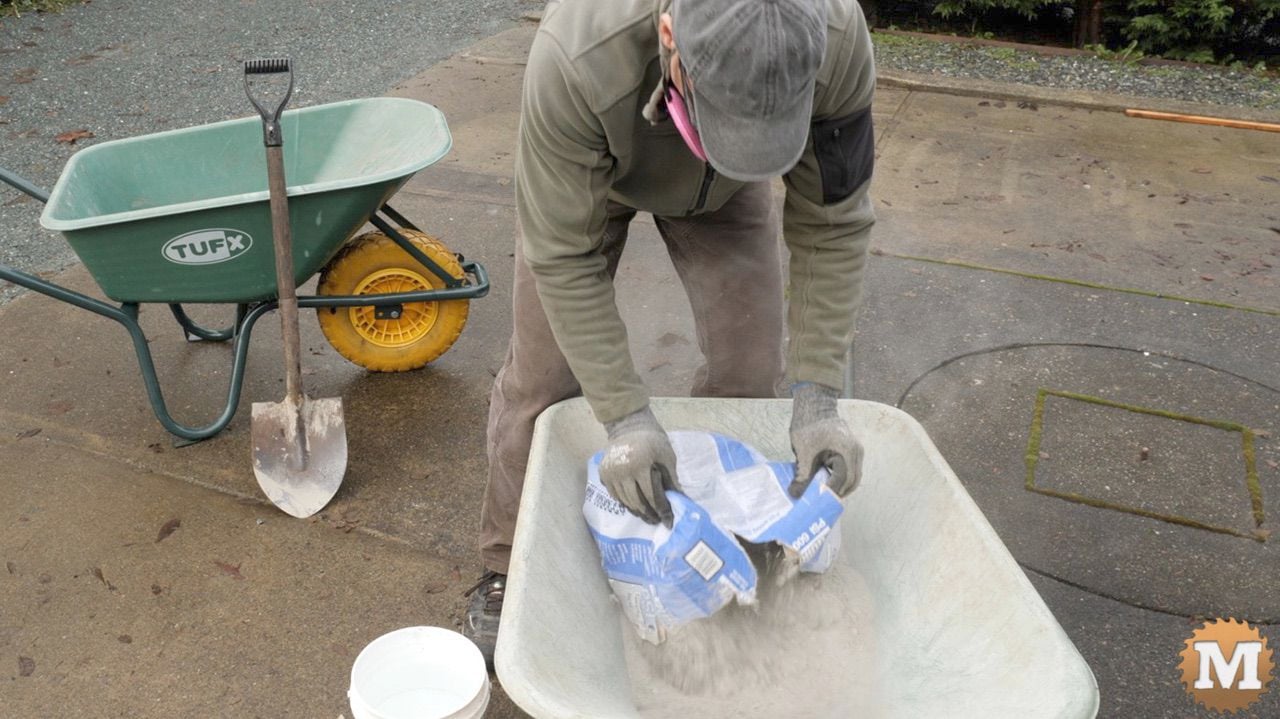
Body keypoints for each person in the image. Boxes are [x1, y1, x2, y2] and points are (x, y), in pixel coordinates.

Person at [465, 0, 877, 665]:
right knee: (542, 383)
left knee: (750, 372)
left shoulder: (835, 36)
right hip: (594, 172)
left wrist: (820, 392)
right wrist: (626, 417)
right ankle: (506, 566)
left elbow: (832, 220)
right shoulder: (578, 58)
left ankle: (730, 555)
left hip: (727, 189)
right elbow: (563, 257)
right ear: (669, 37)